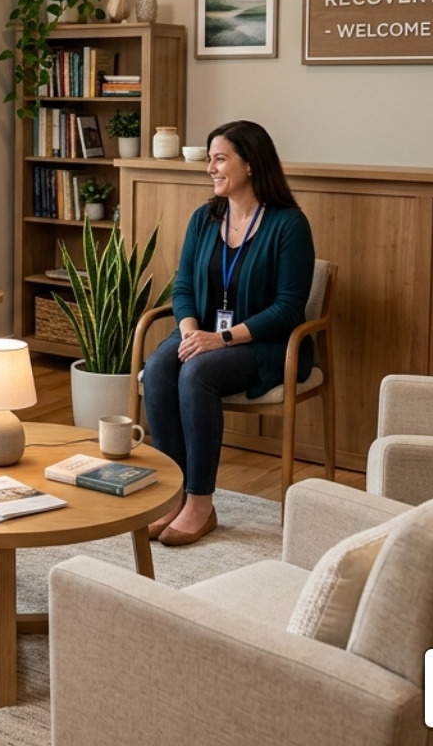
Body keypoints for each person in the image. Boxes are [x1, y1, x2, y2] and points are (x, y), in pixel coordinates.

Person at [141, 120, 314, 547]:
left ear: (250, 164)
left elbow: (288, 309)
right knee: (160, 366)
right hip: (203, 334)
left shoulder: (289, 224)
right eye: (210, 159)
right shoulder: (205, 219)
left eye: (220, 159)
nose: (210, 168)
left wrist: (221, 339)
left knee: (198, 373)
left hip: (264, 344)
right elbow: (183, 287)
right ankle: (174, 495)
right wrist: (189, 331)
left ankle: (200, 503)